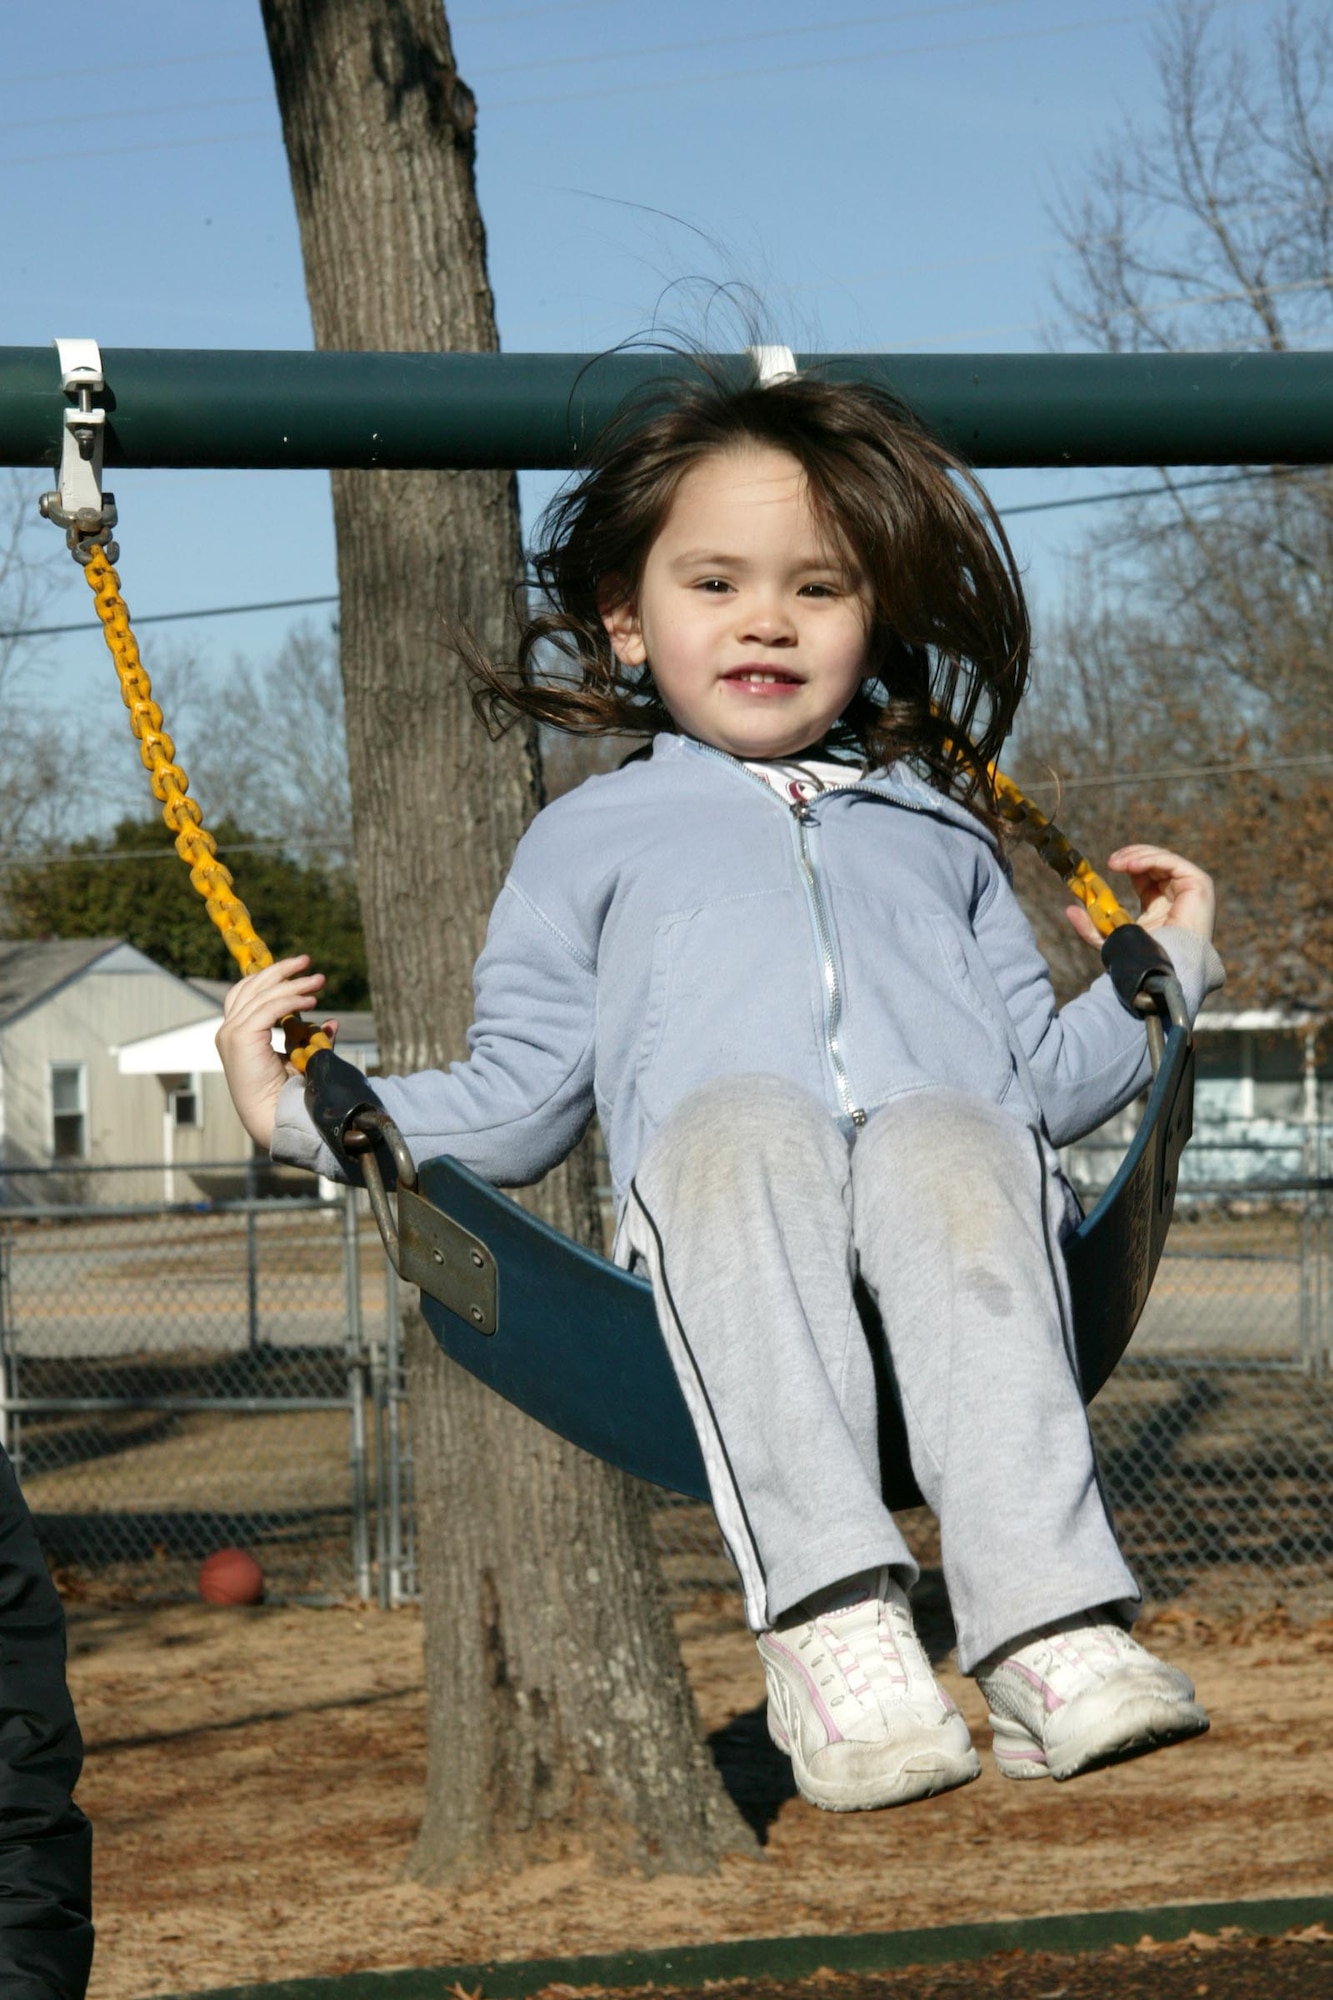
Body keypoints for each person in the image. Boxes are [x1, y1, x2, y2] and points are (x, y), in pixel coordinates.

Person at [217, 356, 1223, 1815]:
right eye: (715, 583)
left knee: (957, 1125)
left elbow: (1037, 1087)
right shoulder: (591, 838)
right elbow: (516, 1095)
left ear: (869, 620)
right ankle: (836, 1638)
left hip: (962, 1244)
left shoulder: (939, 835)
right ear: (629, 622)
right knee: (744, 1118)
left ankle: (1047, 1632)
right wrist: (299, 1113)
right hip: (730, 1238)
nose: (767, 617)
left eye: (817, 588)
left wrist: (1167, 976)